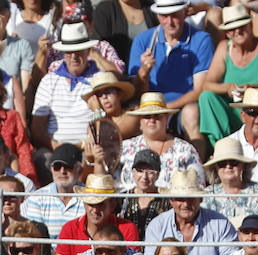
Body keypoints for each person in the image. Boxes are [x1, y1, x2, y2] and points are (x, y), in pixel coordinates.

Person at [128, 0, 212, 155]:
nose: (169, 22)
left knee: (191, 113)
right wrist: (143, 73)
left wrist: (166, 108)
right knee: (130, 115)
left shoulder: (201, 39)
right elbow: (136, 92)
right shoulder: (142, 40)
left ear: (185, 12)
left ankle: (197, 170)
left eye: (175, 15)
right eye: (164, 16)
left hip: (181, 107)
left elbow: (200, 89)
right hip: (149, 107)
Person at [199, 5, 258, 147]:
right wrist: (228, 88)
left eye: (242, 26)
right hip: (233, 112)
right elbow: (207, 84)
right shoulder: (224, 47)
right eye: (232, 29)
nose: (238, 31)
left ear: (250, 25)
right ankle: (221, 147)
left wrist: (252, 88)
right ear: (227, 33)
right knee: (207, 97)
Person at [143, 170, 237, 255]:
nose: (186, 204)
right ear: (171, 200)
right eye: (180, 199)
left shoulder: (220, 224)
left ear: (200, 199)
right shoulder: (157, 226)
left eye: (191, 198)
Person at [31, 22, 99, 168]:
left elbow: (105, 121)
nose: (74, 56)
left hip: (87, 148)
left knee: (94, 157)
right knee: (41, 159)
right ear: (63, 54)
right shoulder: (49, 80)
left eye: (79, 51)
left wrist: (83, 145)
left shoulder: (99, 80)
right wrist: (55, 146)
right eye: (69, 52)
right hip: (53, 148)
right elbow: (37, 127)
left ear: (87, 51)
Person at [117, 92, 203, 190]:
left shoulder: (185, 149)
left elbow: (199, 185)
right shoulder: (124, 147)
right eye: (147, 116)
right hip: (129, 203)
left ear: (166, 119)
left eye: (157, 116)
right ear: (140, 120)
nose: (152, 120)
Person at [53, 172, 138, 255]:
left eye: (100, 204)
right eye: (91, 203)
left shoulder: (128, 229)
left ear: (112, 206)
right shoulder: (70, 228)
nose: (95, 209)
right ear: (84, 204)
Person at [20, 143, 85, 239]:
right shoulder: (37, 198)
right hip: (46, 253)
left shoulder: (89, 198)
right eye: (57, 166)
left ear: (79, 169)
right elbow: (35, 237)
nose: (62, 171)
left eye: (68, 166)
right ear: (51, 169)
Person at [203, 138, 258, 228]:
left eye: (233, 162)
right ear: (215, 167)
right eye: (222, 163)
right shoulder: (206, 195)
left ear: (243, 165)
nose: (228, 166)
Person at [120, 147, 170, 237]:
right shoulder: (122, 199)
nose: (144, 177)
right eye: (140, 171)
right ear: (133, 172)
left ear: (158, 174)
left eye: (150, 172)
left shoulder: (167, 201)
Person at [83, 69, 138, 140]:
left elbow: (107, 137)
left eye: (108, 92)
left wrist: (97, 111)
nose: (104, 97)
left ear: (119, 95)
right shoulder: (99, 121)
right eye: (99, 95)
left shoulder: (132, 116)